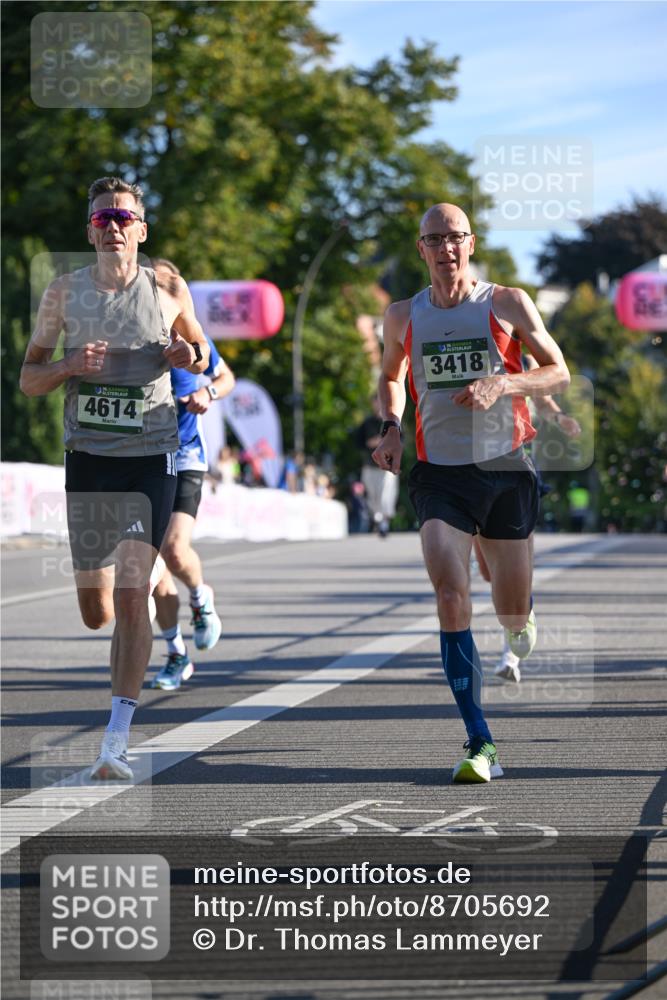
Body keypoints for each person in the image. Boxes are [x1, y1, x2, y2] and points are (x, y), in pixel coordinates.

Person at [372, 202, 570, 783]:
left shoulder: (506, 303)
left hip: (506, 468)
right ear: (421, 248)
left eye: (454, 238)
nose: (445, 249)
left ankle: (520, 617)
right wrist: (390, 428)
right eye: (434, 239)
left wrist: (504, 382)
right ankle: (480, 741)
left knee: (509, 606)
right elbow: (389, 376)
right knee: (450, 590)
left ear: (471, 243)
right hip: (441, 473)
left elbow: (557, 370)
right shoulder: (402, 314)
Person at [20, 176, 210, 780]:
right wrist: (71, 364)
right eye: (102, 220)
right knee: (95, 612)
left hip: (151, 456)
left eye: (123, 218)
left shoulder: (168, 287)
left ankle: (116, 740)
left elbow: (202, 355)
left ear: (141, 229)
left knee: (130, 597)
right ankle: (147, 571)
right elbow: (29, 378)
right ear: (90, 232)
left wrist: (187, 358)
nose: (113, 228)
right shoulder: (63, 293)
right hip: (90, 461)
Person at [148, 259, 235, 691]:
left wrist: (208, 392)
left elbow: (227, 377)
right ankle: (176, 654)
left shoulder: (193, 338)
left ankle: (201, 600)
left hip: (185, 456)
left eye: (169, 285)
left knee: (175, 549)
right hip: (141, 459)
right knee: (151, 569)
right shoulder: (134, 335)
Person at [473, 352, 582, 683]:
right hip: (475, 469)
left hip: (519, 470)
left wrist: (560, 418)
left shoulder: (523, 358)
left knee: (518, 565)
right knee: (490, 572)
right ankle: (525, 609)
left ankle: (511, 652)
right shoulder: (476, 354)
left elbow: (544, 397)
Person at [356, 398, 400, 537]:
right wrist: (370, 443)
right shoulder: (367, 423)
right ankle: (377, 517)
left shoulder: (393, 422)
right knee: (372, 494)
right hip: (370, 465)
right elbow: (358, 442)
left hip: (387, 466)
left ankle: (383, 522)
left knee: (386, 494)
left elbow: (400, 442)